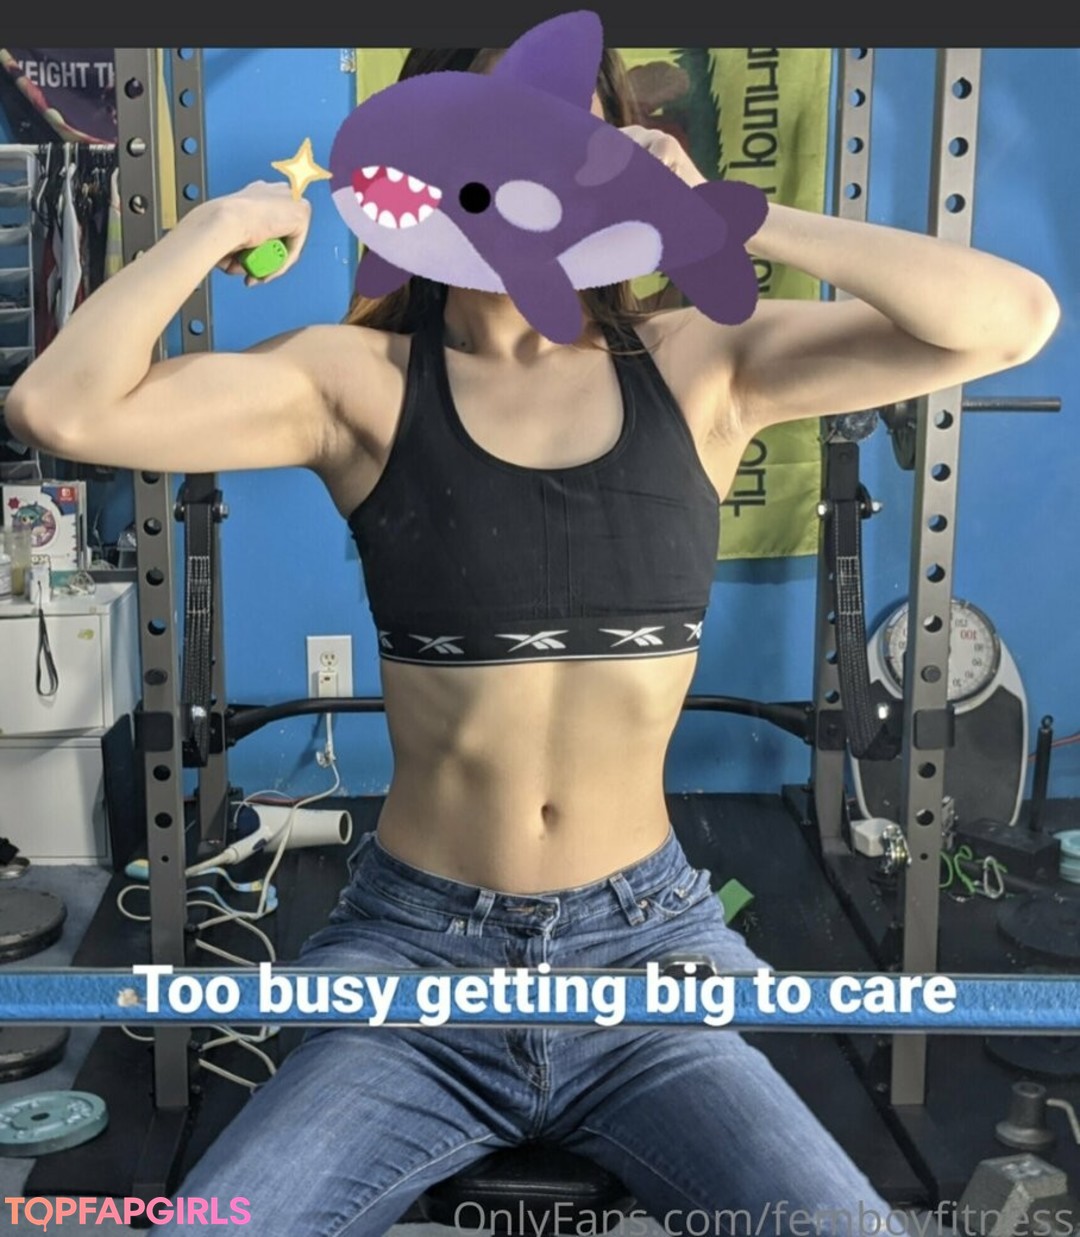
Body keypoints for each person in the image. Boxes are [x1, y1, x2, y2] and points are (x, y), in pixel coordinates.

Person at [6, 43, 1059, 1237]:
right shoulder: (357, 382)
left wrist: (733, 216)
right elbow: (56, 407)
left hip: (646, 958)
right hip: (414, 960)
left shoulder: (701, 364)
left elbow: (1014, 319)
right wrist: (221, 223)